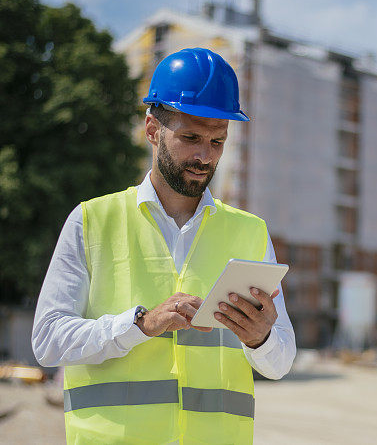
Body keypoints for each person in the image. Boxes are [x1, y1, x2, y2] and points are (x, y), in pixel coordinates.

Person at [31, 48, 296, 444]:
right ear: (152, 129)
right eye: (190, 138)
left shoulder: (250, 233)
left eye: (218, 141)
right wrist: (140, 324)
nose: (205, 156)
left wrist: (260, 338)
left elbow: (282, 361)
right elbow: (48, 340)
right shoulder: (91, 221)